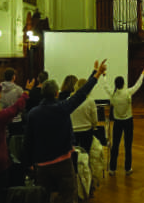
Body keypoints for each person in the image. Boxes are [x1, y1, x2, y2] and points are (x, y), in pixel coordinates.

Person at [25, 60, 106, 203]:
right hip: (63, 162)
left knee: (43, 196)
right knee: (68, 194)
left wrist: (29, 162)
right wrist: (97, 74)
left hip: (41, 164)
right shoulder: (63, 108)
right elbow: (82, 93)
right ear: (56, 93)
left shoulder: (33, 113)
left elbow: (28, 141)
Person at [104, 65, 144, 176]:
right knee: (128, 145)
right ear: (123, 83)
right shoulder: (128, 93)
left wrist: (104, 76)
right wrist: (142, 73)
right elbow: (137, 85)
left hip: (117, 123)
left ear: (115, 84)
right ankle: (128, 168)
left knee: (115, 145)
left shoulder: (112, 94)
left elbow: (105, 86)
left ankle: (112, 169)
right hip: (128, 122)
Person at [70, 78, 98, 152]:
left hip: (73, 132)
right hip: (86, 132)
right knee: (86, 154)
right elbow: (95, 120)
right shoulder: (90, 101)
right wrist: (93, 127)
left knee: (73, 156)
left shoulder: (69, 99)